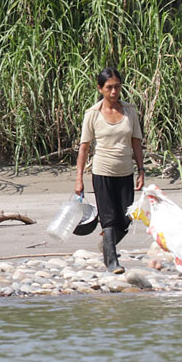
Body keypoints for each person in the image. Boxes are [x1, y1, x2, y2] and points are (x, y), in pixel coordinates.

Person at [74, 68, 145, 274]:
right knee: (108, 218)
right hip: (102, 172)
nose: (114, 92)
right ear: (100, 89)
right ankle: (112, 262)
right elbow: (84, 147)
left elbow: (136, 143)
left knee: (126, 219)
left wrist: (141, 170)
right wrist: (79, 179)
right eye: (109, 88)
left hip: (125, 172)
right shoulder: (92, 114)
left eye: (117, 87)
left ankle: (107, 243)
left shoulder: (130, 111)